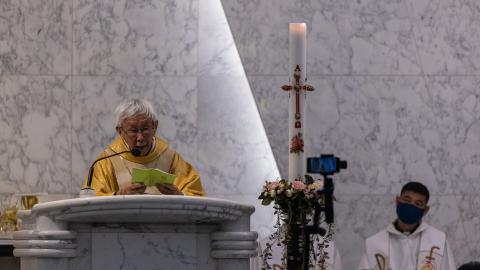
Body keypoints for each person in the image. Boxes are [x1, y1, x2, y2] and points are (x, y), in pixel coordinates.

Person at [83, 98, 204, 196]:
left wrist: (179, 195)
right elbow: (92, 200)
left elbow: (195, 195)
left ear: (155, 126)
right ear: (120, 131)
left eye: (145, 129)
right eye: (133, 131)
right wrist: (118, 195)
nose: (140, 137)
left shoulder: (170, 158)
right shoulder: (107, 161)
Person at [358, 181, 456, 270]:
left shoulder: (438, 240)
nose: (411, 205)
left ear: (425, 210)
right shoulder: (374, 243)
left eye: (418, 203)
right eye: (407, 200)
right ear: (397, 201)